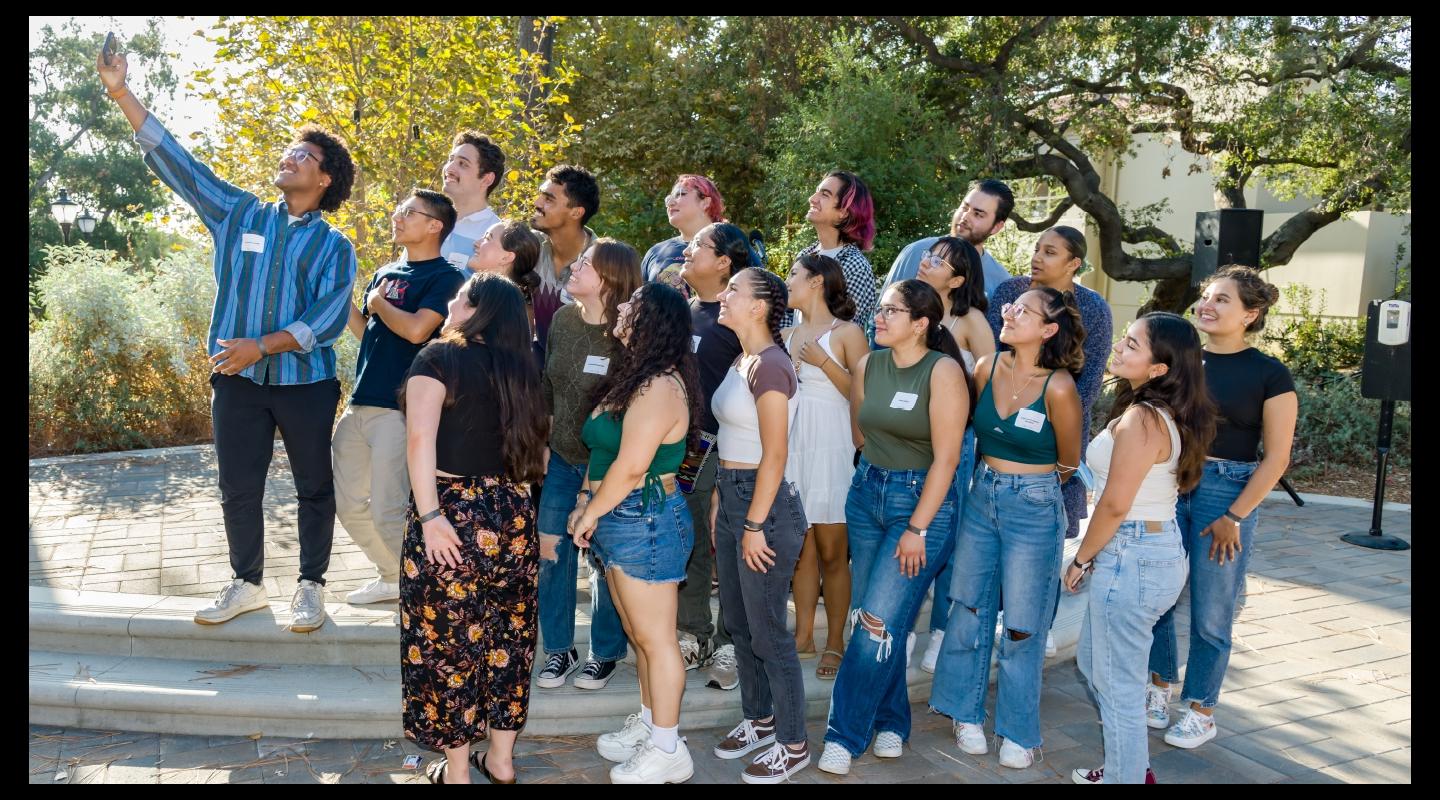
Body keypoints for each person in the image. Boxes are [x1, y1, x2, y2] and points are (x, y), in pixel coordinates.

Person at [100, 46, 356, 632]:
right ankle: (247, 584)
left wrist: (261, 345)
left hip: (306, 385)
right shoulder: (239, 214)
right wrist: (120, 92)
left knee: (314, 487)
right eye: (291, 149)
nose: (290, 157)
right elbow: (179, 163)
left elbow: (327, 319)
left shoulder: (334, 246)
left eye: (304, 155)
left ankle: (312, 586)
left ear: (324, 178)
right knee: (237, 487)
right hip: (236, 381)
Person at [398, 272, 549, 784]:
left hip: (452, 511)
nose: (450, 302)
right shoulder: (524, 370)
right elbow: (538, 455)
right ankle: (501, 760)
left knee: (447, 645)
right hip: (513, 511)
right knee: (510, 636)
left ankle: (458, 771)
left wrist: (430, 517)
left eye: (459, 297)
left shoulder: (439, 357)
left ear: (478, 310)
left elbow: (420, 442)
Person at [817, 280, 970, 776]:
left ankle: (844, 734)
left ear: (922, 323)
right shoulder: (869, 365)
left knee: (875, 623)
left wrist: (918, 528)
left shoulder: (943, 371)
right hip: (867, 494)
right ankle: (891, 720)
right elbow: (862, 431)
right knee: (881, 617)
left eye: (891, 311)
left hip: (920, 502)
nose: (878, 318)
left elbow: (947, 460)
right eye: (879, 310)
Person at [930, 286, 1084, 770]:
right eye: (1011, 307)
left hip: (1035, 504)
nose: (1009, 313)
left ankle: (1018, 731)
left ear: (1048, 329)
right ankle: (964, 711)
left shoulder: (1059, 387)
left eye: (1023, 311)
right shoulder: (983, 368)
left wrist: (1028, 486)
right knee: (968, 608)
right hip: (982, 495)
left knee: (1022, 624)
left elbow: (1070, 460)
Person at [1147, 266, 1297, 750]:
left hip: (1225, 491)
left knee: (1213, 609)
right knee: (1159, 595)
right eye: (1206, 296)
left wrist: (1235, 516)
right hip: (1171, 483)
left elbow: (1276, 458)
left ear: (1250, 314)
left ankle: (1201, 710)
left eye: (1222, 300)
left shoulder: (1269, 373)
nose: (1206, 305)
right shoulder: (1182, 361)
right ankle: (1158, 686)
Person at [1063, 313, 1216, 784]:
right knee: (1098, 665)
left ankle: (1126, 777)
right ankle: (1129, 768)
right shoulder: (1156, 412)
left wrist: (1082, 558)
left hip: (1132, 552)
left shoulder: (1143, 418)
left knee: (1119, 685)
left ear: (1158, 368)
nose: (1120, 348)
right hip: (1148, 549)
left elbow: (1113, 504)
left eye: (1132, 344)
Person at [570, 282, 702, 784]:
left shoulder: (659, 386)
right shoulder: (633, 378)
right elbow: (601, 453)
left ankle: (669, 749)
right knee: (639, 637)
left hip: (644, 519)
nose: (621, 308)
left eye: (632, 305)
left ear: (651, 322)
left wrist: (588, 514)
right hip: (619, 518)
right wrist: (586, 501)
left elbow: (629, 468)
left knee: (657, 640)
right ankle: (651, 726)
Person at [335, 189, 466, 605]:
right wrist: (341, 300)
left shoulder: (446, 277)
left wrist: (376, 301)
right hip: (358, 403)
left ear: (434, 225)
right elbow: (368, 332)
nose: (398, 216)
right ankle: (393, 575)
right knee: (348, 505)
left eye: (409, 212)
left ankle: (431, 594)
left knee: (388, 511)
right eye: (399, 210)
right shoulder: (386, 271)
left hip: (399, 409)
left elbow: (415, 330)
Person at [707, 267, 811, 782]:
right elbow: (730, 443)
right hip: (733, 499)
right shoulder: (741, 358)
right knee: (740, 623)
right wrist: (719, 509)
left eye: (734, 292)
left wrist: (751, 525)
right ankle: (760, 718)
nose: (723, 297)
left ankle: (793, 744)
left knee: (769, 631)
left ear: (759, 306)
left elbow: (775, 456)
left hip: (762, 507)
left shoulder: (770, 365)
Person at [535, 239, 642, 691]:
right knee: (550, 553)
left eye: (586, 264)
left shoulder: (628, 333)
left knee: (602, 559)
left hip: (607, 465)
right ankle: (559, 650)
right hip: (560, 459)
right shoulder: (562, 319)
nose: (573, 267)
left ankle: (605, 652)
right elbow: (548, 385)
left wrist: (597, 481)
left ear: (610, 278)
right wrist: (543, 441)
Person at [676, 223, 765, 690]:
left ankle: (733, 640)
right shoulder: (683, 311)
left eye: (698, 247)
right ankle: (693, 633)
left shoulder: (740, 321)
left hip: (727, 448)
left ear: (726, 262)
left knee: (726, 544)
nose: (686, 251)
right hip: (681, 447)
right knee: (689, 540)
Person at [988, 226, 1113, 545]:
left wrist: (1048, 423)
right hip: (1002, 426)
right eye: (1036, 249)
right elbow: (995, 356)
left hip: (1059, 433)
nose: (1037, 258)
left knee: (1043, 540)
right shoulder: (1008, 292)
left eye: (1050, 252)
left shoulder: (1094, 307)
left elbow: (1090, 380)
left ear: (1074, 263)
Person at [781, 254, 869, 680]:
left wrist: (822, 362)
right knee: (799, 551)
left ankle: (835, 640)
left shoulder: (849, 333)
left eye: (794, 275)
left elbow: (863, 393)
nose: (788, 281)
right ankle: (802, 636)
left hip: (832, 449)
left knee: (835, 551)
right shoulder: (784, 334)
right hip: (794, 449)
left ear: (816, 281)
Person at [912, 235, 994, 671]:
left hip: (953, 439)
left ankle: (941, 632)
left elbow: (992, 378)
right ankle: (902, 626)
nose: (925, 262)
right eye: (927, 256)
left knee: (946, 530)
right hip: (906, 438)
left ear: (958, 278)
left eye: (937, 261)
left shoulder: (970, 320)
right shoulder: (909, 307)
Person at [880, 179, 1016, 299]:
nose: (965, 217)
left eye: (978, 214)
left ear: (996, 227)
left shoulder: (1001, 282)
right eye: (964, 207)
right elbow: (878, 319)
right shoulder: (916, 252)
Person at [793, 170, 879, 328]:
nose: (812, 199)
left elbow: (848, 332)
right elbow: (788, 316)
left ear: (844, 212)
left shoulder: (855, 266)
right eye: (817, 191)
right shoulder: (804, 255)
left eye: (825, 194)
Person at [530, 165, 600, 349]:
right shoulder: (530, 248)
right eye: (541, 195)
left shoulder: (603, 263)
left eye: (548, 199)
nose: (537, 203)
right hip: (535, 365)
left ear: (576, 212)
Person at [642, 175, 727, 295]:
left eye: (680, 194)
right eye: (669, 198)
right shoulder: (655, 252)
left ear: (705, 202)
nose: (670, 203)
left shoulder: (731, 246)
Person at [439, 131, 505, 271]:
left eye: (463, 164)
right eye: (451, 160)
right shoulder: (428, 217)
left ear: (486, 179)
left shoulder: (496, 236)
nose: (449, 168)